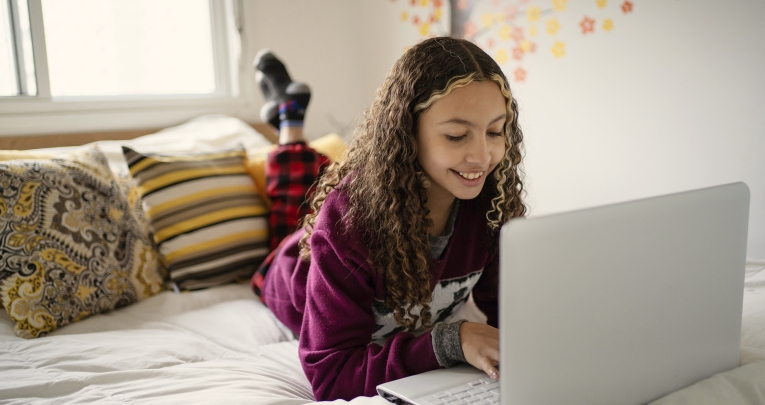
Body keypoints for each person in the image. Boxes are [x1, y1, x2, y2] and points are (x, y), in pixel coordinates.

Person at [251, 37, 526, 401]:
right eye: (457, 135)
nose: (482, 155)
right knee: (291, 207)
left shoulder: (491, 202)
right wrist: (450, 340)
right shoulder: (348, 220)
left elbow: (512, 316)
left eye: (495, 131)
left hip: (336, 231)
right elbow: (331, 376)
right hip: (288, 270)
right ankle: (289, 115)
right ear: (407, 133)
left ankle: (290, 117)